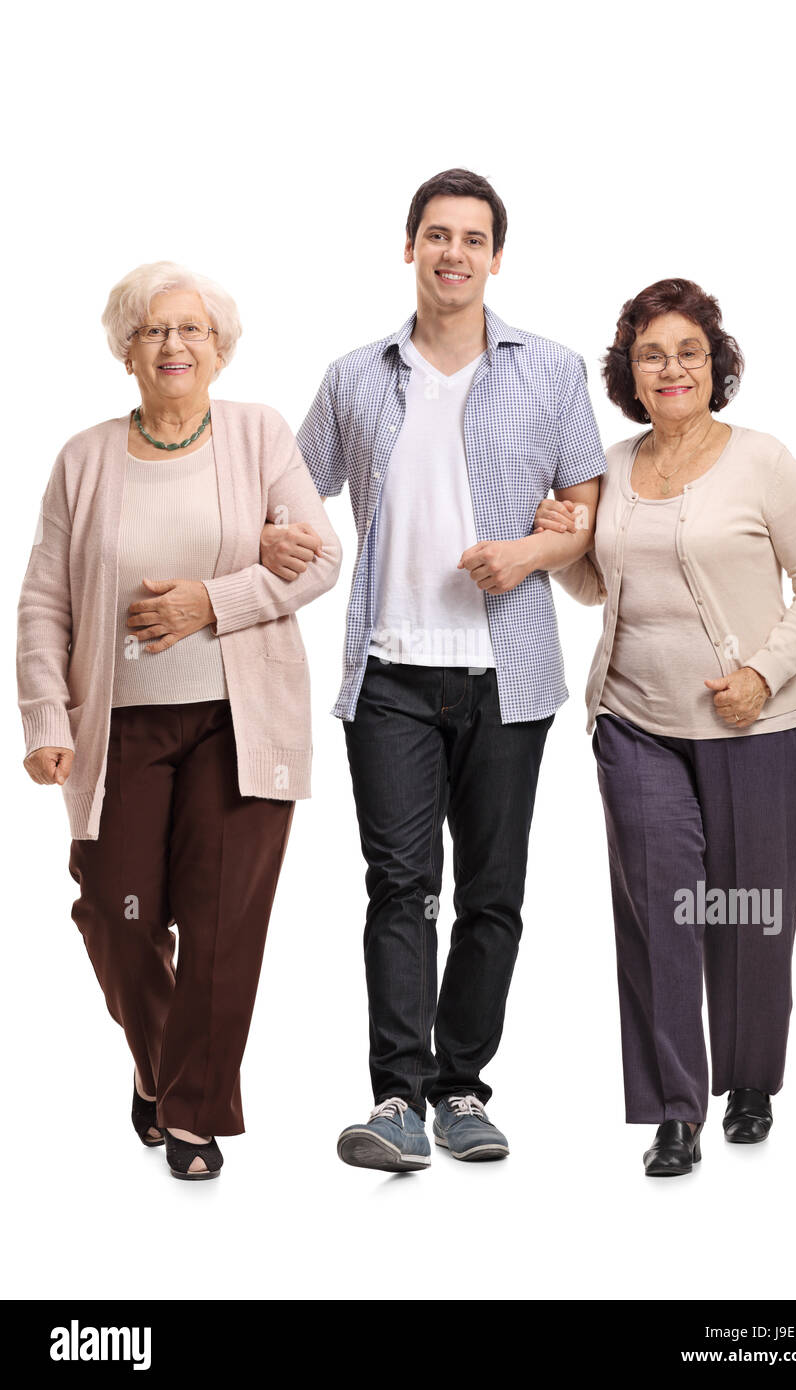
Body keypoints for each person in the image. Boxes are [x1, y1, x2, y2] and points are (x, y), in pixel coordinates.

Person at [261, 168, 607, 1171]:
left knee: (492, 892)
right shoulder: (353, 376)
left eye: (472, 237)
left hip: (511, 671)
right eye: (436, 234)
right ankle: (397, 1097)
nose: (452, 252)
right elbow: (289, 486)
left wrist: (531, 552)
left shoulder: (547, 371)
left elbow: (587, 508)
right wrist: (282, 539)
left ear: (495, 257)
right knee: (400, 888)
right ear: (408, 246)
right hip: (390, 672)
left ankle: (463, 1087)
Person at [17, 261, 341, 1181]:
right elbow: (44, 599)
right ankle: (164, 1063)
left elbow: (320, 561)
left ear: (220, 348)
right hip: (120, 729)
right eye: (155, 331)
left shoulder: (258, 435)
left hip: (242, 721)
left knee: (218, 924)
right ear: (127, 350)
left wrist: (213, 600)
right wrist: (47, 715)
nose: (174, 346)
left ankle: (193, 1115)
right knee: (117, 912)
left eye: (192, 330)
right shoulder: (85, 457)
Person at [537, 278, 796, 1175]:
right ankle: (675, 1109)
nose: (670, 368)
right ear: (629, 372)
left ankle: (748, 1081)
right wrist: (560, 545)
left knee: (750, 909)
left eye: (687, 353)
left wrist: (762, 671)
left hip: (752, 726)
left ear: (716, 365)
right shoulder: (614, 463)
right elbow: (601, 585)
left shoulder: (763, 462)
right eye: (650, 355)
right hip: (635, 721)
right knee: (659, 909)